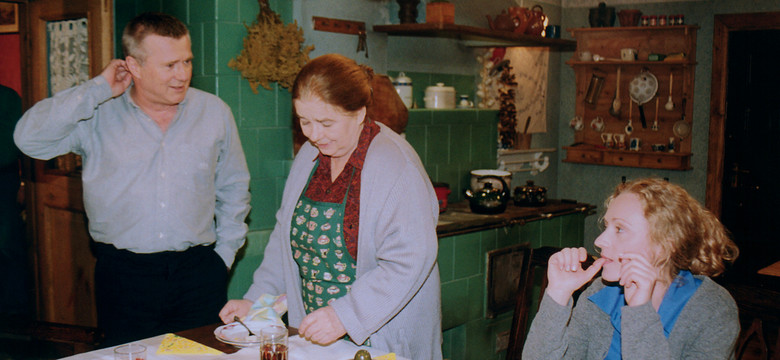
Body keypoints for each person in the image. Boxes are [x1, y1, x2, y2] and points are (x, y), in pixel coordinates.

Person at [14, 12, 250, 346]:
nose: (182, 74)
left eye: (187, 61)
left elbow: (234, 188)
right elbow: (28, 139)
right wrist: (97, 89)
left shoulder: (214, 112)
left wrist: (222, 257)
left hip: (199, 273)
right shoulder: (98, 113)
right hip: (125, 276)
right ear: (134, 66)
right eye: (169, 65)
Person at [219, 54, 442, 359]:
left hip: (382, 339)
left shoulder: (395, 166)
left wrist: (344, 316)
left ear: (360, 113)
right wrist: (259, 303)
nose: (313, 134)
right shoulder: (309, 158)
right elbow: (285, 240)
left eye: (326, 122)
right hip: (317, 342)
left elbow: (409, 259)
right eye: (304, 121)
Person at [523, 177, 740, 359]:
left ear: (665, 246)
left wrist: (640, 312)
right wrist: (558, 294)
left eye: (619, 229)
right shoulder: (601, 293)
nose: (599, 240)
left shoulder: (712, 309)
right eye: (607, 226)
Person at [0, 84, 29, 319]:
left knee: (7, 248)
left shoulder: (7, 98)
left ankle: (15, 321)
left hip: (3, 187)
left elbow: (8, 150)